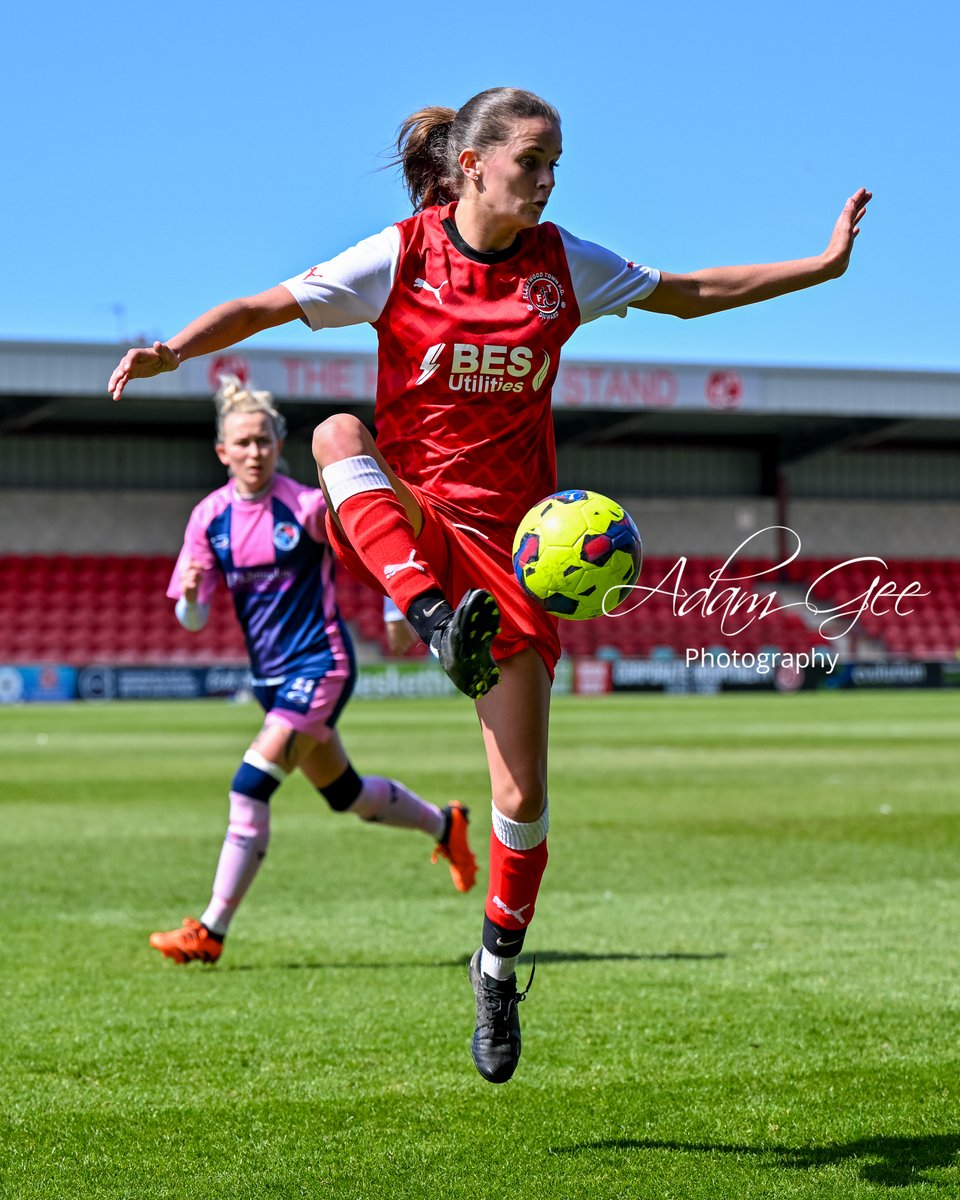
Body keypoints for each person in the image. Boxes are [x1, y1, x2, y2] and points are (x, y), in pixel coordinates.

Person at [109, 86, 871, 1081]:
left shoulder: (563, 267)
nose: (548, 182)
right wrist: (176, 348)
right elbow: (266, 305)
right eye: (531, 163)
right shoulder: (399, 256)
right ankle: (433, 620)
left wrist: (822, 266)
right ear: (471, 165)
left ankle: (497, 968)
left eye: (556, 166)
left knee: (523, 802)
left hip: (517, 556)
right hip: (416, 520)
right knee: (336, 433)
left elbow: (690, 292)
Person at [146, 375, 477, 967]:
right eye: (242, 443)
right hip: (270, 680)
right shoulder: (208, 518)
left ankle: (211, 930)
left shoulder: (303, 507)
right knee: (346, 794)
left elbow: (374, 545)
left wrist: (395, 610)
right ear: (222, 451)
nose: (254, 452)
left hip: (321, 665)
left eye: (263, 441)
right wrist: (192, 596)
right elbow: (191, 620)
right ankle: (444, 824)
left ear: (279, 445)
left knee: (250, 786)